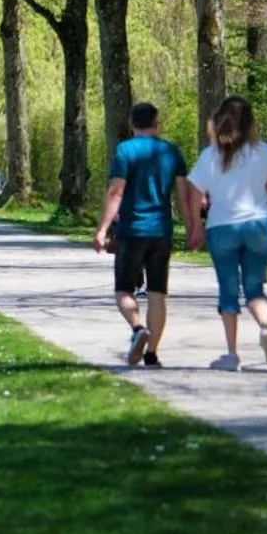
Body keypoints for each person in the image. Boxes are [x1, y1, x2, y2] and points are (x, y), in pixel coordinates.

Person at [182, 94, 267, 371]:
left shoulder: (210, 155)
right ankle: (264, 329)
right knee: (255, 288)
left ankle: (231, 355)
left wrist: (196, 227)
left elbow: (194, 196)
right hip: (258, 224)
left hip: (222, 228)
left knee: (228, 291)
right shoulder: (262, 151)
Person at [92, 101, 184, 367]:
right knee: (157, 294)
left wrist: (102, 229)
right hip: (161, 231)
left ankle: (137, 328)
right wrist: (193, 226)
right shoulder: (171, 152)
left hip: (132, 230)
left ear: (132, 124)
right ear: (157, 124)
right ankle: (152, 353)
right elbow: (184, 193)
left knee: (123, 290)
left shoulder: (125, 150)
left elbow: (116, 192)